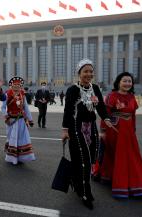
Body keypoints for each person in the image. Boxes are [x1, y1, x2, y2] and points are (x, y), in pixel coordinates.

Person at [97, 72, 142, 198]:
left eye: (129, 81)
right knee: (114, 155)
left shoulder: (132, 97)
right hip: (114, 131)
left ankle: (132, 182)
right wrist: (103, 131)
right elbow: (105, 115)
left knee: (131, 157)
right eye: (124, 81)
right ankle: (110, 178)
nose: (127, 83)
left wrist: (133, 129)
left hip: (129, 132)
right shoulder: (111, 96)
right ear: (118, 82)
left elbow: (133, 115)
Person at [61, 59, 113, 210]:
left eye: (91, 71)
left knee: (89, 159)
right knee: (84, 161)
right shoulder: (73, 90)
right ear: (79, 73)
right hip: (76, 128)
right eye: (85, 71)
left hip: (92, 128)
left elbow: (101, 107)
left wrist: (106, 118)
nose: (89, 74)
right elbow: (68, 112)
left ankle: (76, 182)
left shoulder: (95, 88)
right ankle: (85, 193)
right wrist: (65, 130)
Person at [1, 76, 35, 165]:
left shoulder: (22, 95)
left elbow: (26, 108)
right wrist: (6, 117)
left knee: (21, 139)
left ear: (20, 86)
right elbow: (3, 107)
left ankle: (21, 157)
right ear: (11, 85)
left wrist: (30, 120)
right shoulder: (7, 94)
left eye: (18, 85)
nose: (16, 86)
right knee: (12, 138)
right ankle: (12, 158)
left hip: (21, 120)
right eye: (14, 85)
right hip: (11, 121)